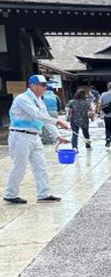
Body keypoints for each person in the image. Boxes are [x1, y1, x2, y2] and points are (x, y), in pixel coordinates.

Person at [4, 75, 71, 204]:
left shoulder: (40, 100)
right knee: (19, 167)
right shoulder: (22, 99)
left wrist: (58, 136)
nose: (45, 88)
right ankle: (10, 194)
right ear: (32, 85)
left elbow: (45, 119)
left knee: (41, 166)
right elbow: (36, 114)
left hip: (35, 136)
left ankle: (44, 194)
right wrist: (58, 120)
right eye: (42, 85)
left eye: (46, 85)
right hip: (20, 136)